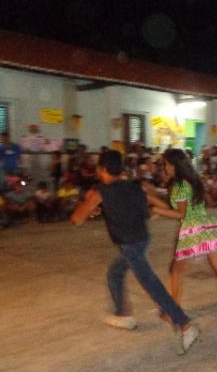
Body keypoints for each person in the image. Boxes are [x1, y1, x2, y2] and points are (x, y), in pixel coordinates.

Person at [70, 150, 199, 355]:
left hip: (130, 246)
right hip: (143, 240)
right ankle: (124, 315)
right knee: (115, 272)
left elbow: (77, 219)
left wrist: (88, 206)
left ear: (102, 169)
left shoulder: (100, 192)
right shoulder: (135, 187)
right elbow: (160, 204)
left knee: (152, 285)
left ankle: (185, 325)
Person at [146, 149, 217, 330]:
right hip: (207, 228)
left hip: (193, 231)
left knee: (176, 273)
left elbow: (180, 214)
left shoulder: (180, 185)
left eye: (166, 164)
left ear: (174, 165)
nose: (164, 168)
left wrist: (158, 210)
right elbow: (174, 207)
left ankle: (173, 314)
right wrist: (152, 201)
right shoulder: (190, 181)